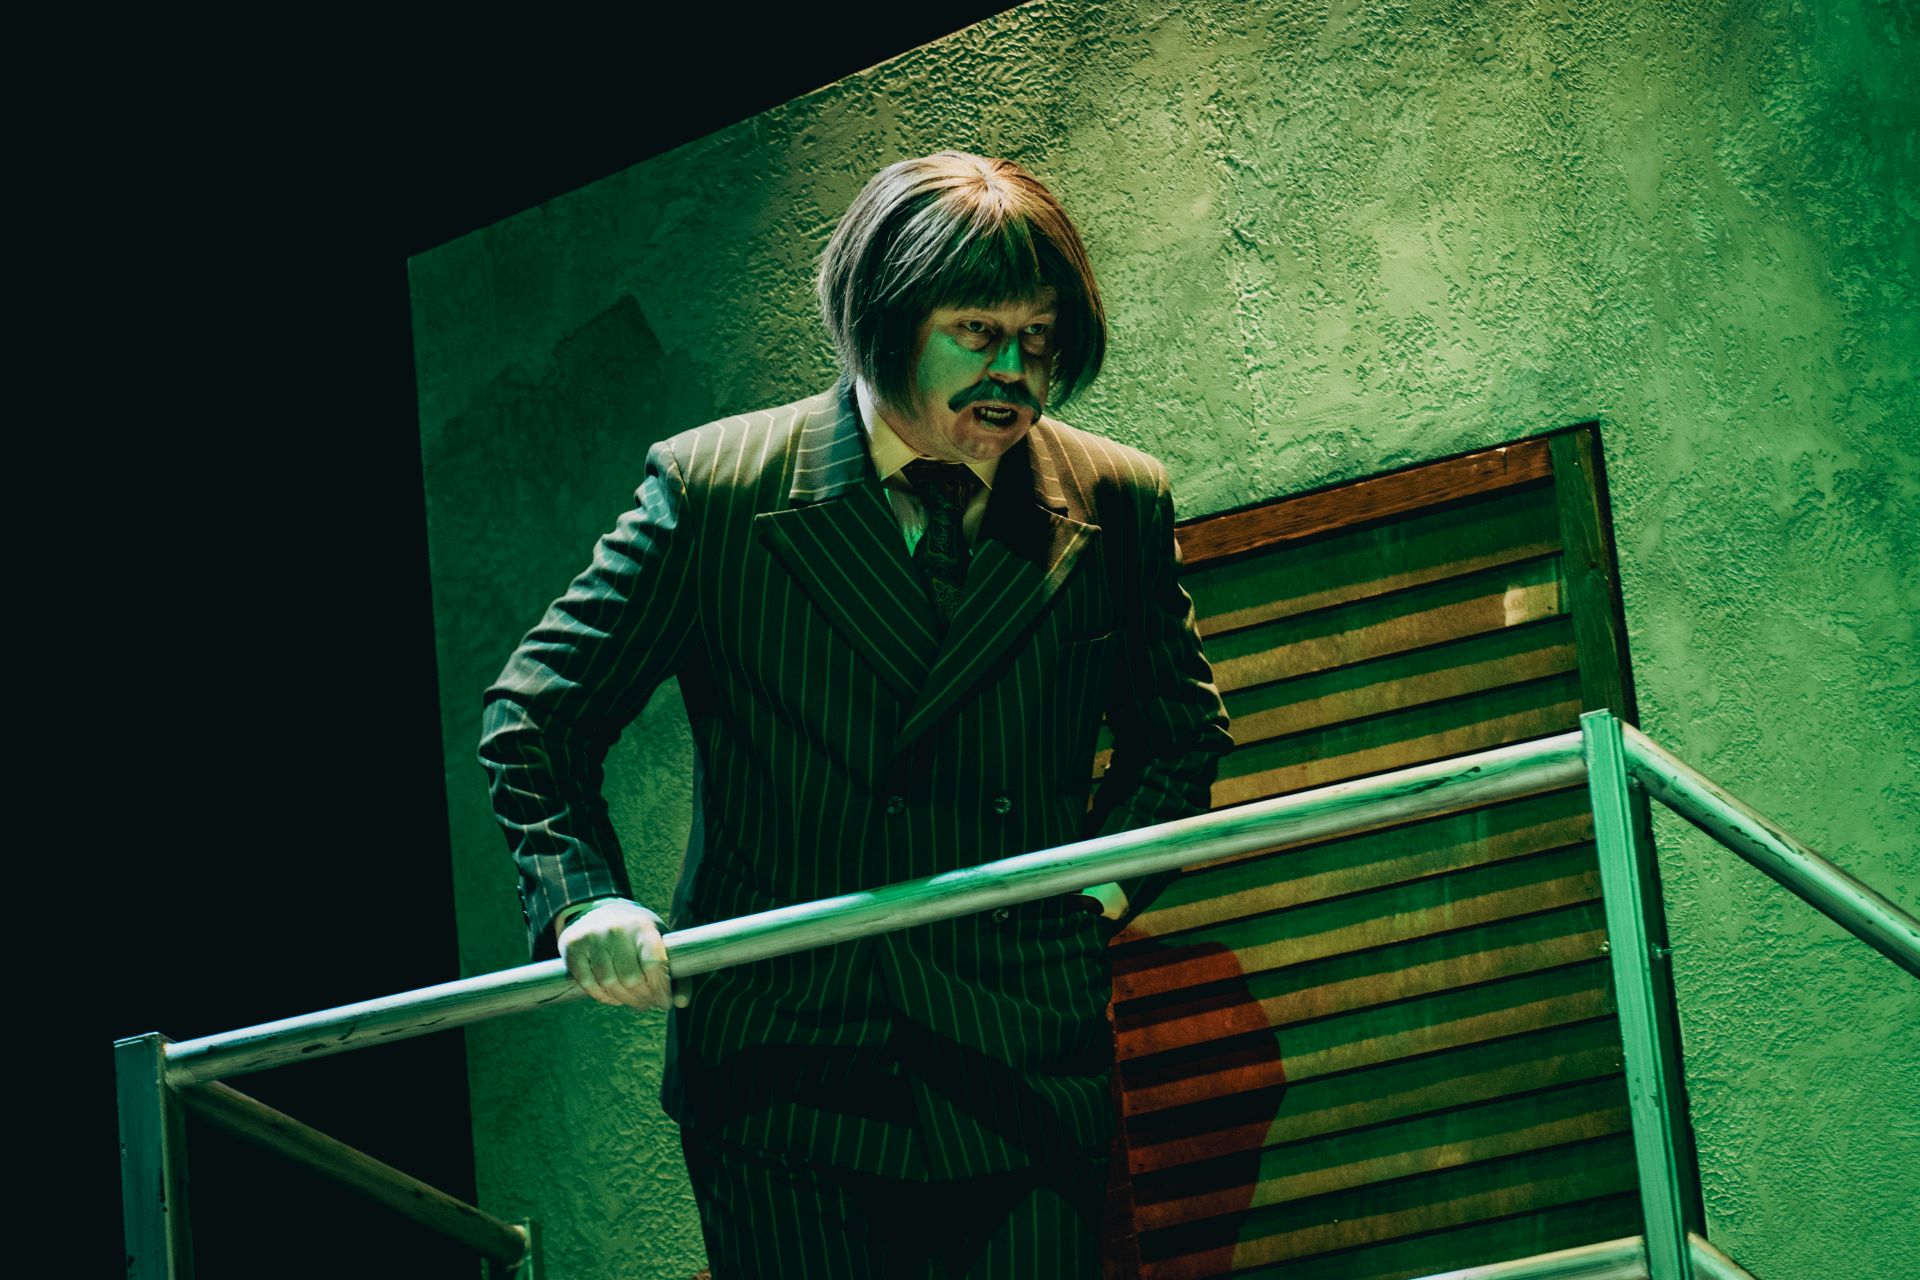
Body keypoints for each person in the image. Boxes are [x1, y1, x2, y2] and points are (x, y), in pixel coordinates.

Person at [479, 150, 1232, 1277]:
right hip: (786, 1070)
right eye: (978, 331)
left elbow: (1179, 740)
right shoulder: (719, 488)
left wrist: (1091, 900)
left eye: (1040, 338)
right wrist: (585, 898)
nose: (1015, 370)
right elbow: (537, 716)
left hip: (1018, 1058)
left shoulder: (1114, 496)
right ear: (885, 319)